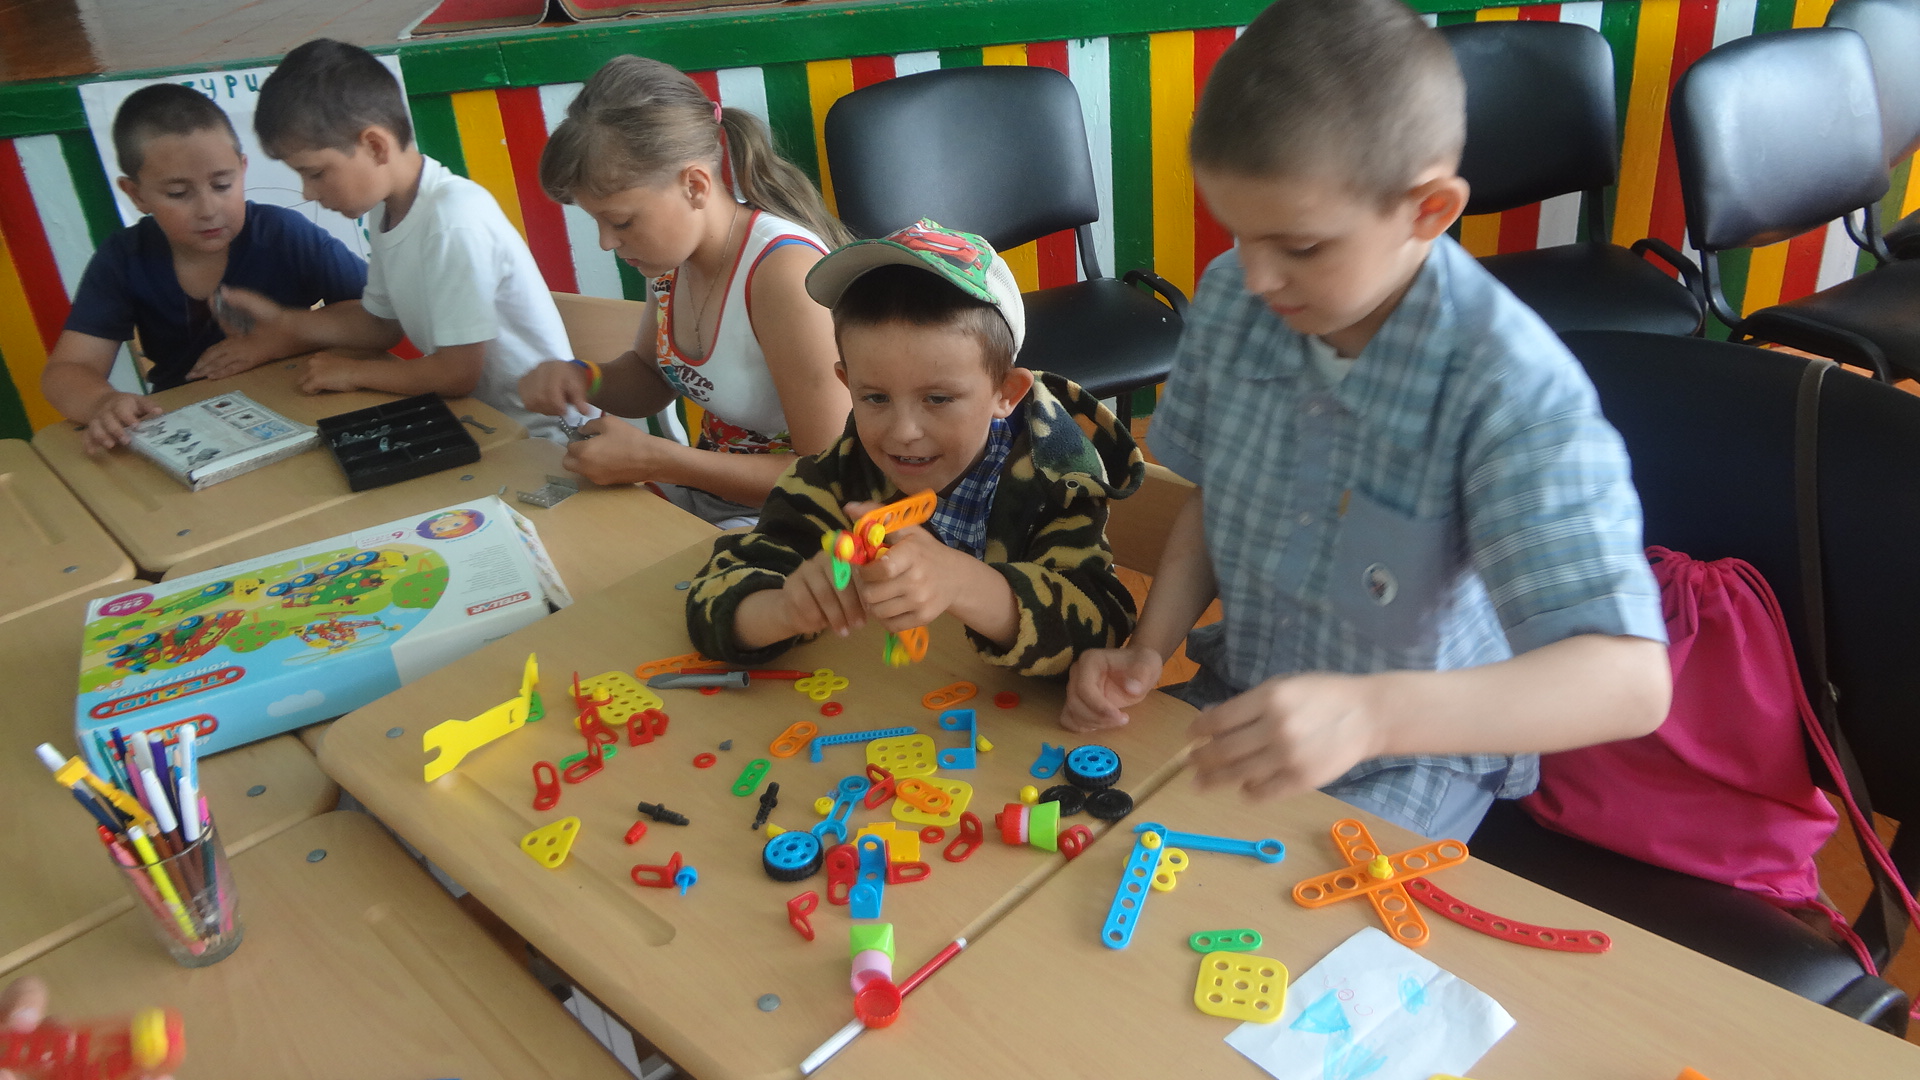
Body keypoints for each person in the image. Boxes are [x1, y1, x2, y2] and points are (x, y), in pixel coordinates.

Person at [1059, 0, 1673, 840]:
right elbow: (1214, 499)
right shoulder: (1238, 295)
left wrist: (1374, 715)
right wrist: (1148, 646)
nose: (1259, 278)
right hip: (1244, 700)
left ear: (1428, 211)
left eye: (1302, 247)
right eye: (1240, 233)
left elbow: (1630, 682)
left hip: (1411, 758)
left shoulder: (1510, 387)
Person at [685, 220, 1143, 675]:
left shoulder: (1057, 483)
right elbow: (714, 596)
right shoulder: (839, 475)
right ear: (846, 383)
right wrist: (785, 610)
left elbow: (1102, 630)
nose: (903, 432)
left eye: (938, 399)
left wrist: (962, 582)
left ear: (1006, 393)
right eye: (875, 398)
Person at [519, 55, 850, 526]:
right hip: (716, 498)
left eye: (621, 221)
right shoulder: (672, 261)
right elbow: (650, 379)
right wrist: (582, 376)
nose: (607, 242)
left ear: (694, 185)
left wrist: (657, 460)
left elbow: (829, 477)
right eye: (598, 222)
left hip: (796, 519)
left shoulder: (783, 273)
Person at [220, 39, 574, 442]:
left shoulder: (452, 220)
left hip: (541, 438)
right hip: (479, 424)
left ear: (375, 146)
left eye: (315, 173)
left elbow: (456, 374)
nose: (308, 192)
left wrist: (354, 372)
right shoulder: (389, 208)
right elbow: (380, 325)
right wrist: (284, 323)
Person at [41, 83, 366, 454]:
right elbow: (67, 369)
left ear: (243, 170)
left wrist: (279, 340)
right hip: (190, 428)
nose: (209, 210)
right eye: (178, 194)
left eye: (222, 184)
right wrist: (101, 402)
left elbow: (374, 318)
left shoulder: (284, 234)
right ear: (136, 194)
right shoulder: (124, 258)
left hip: (301, 404)